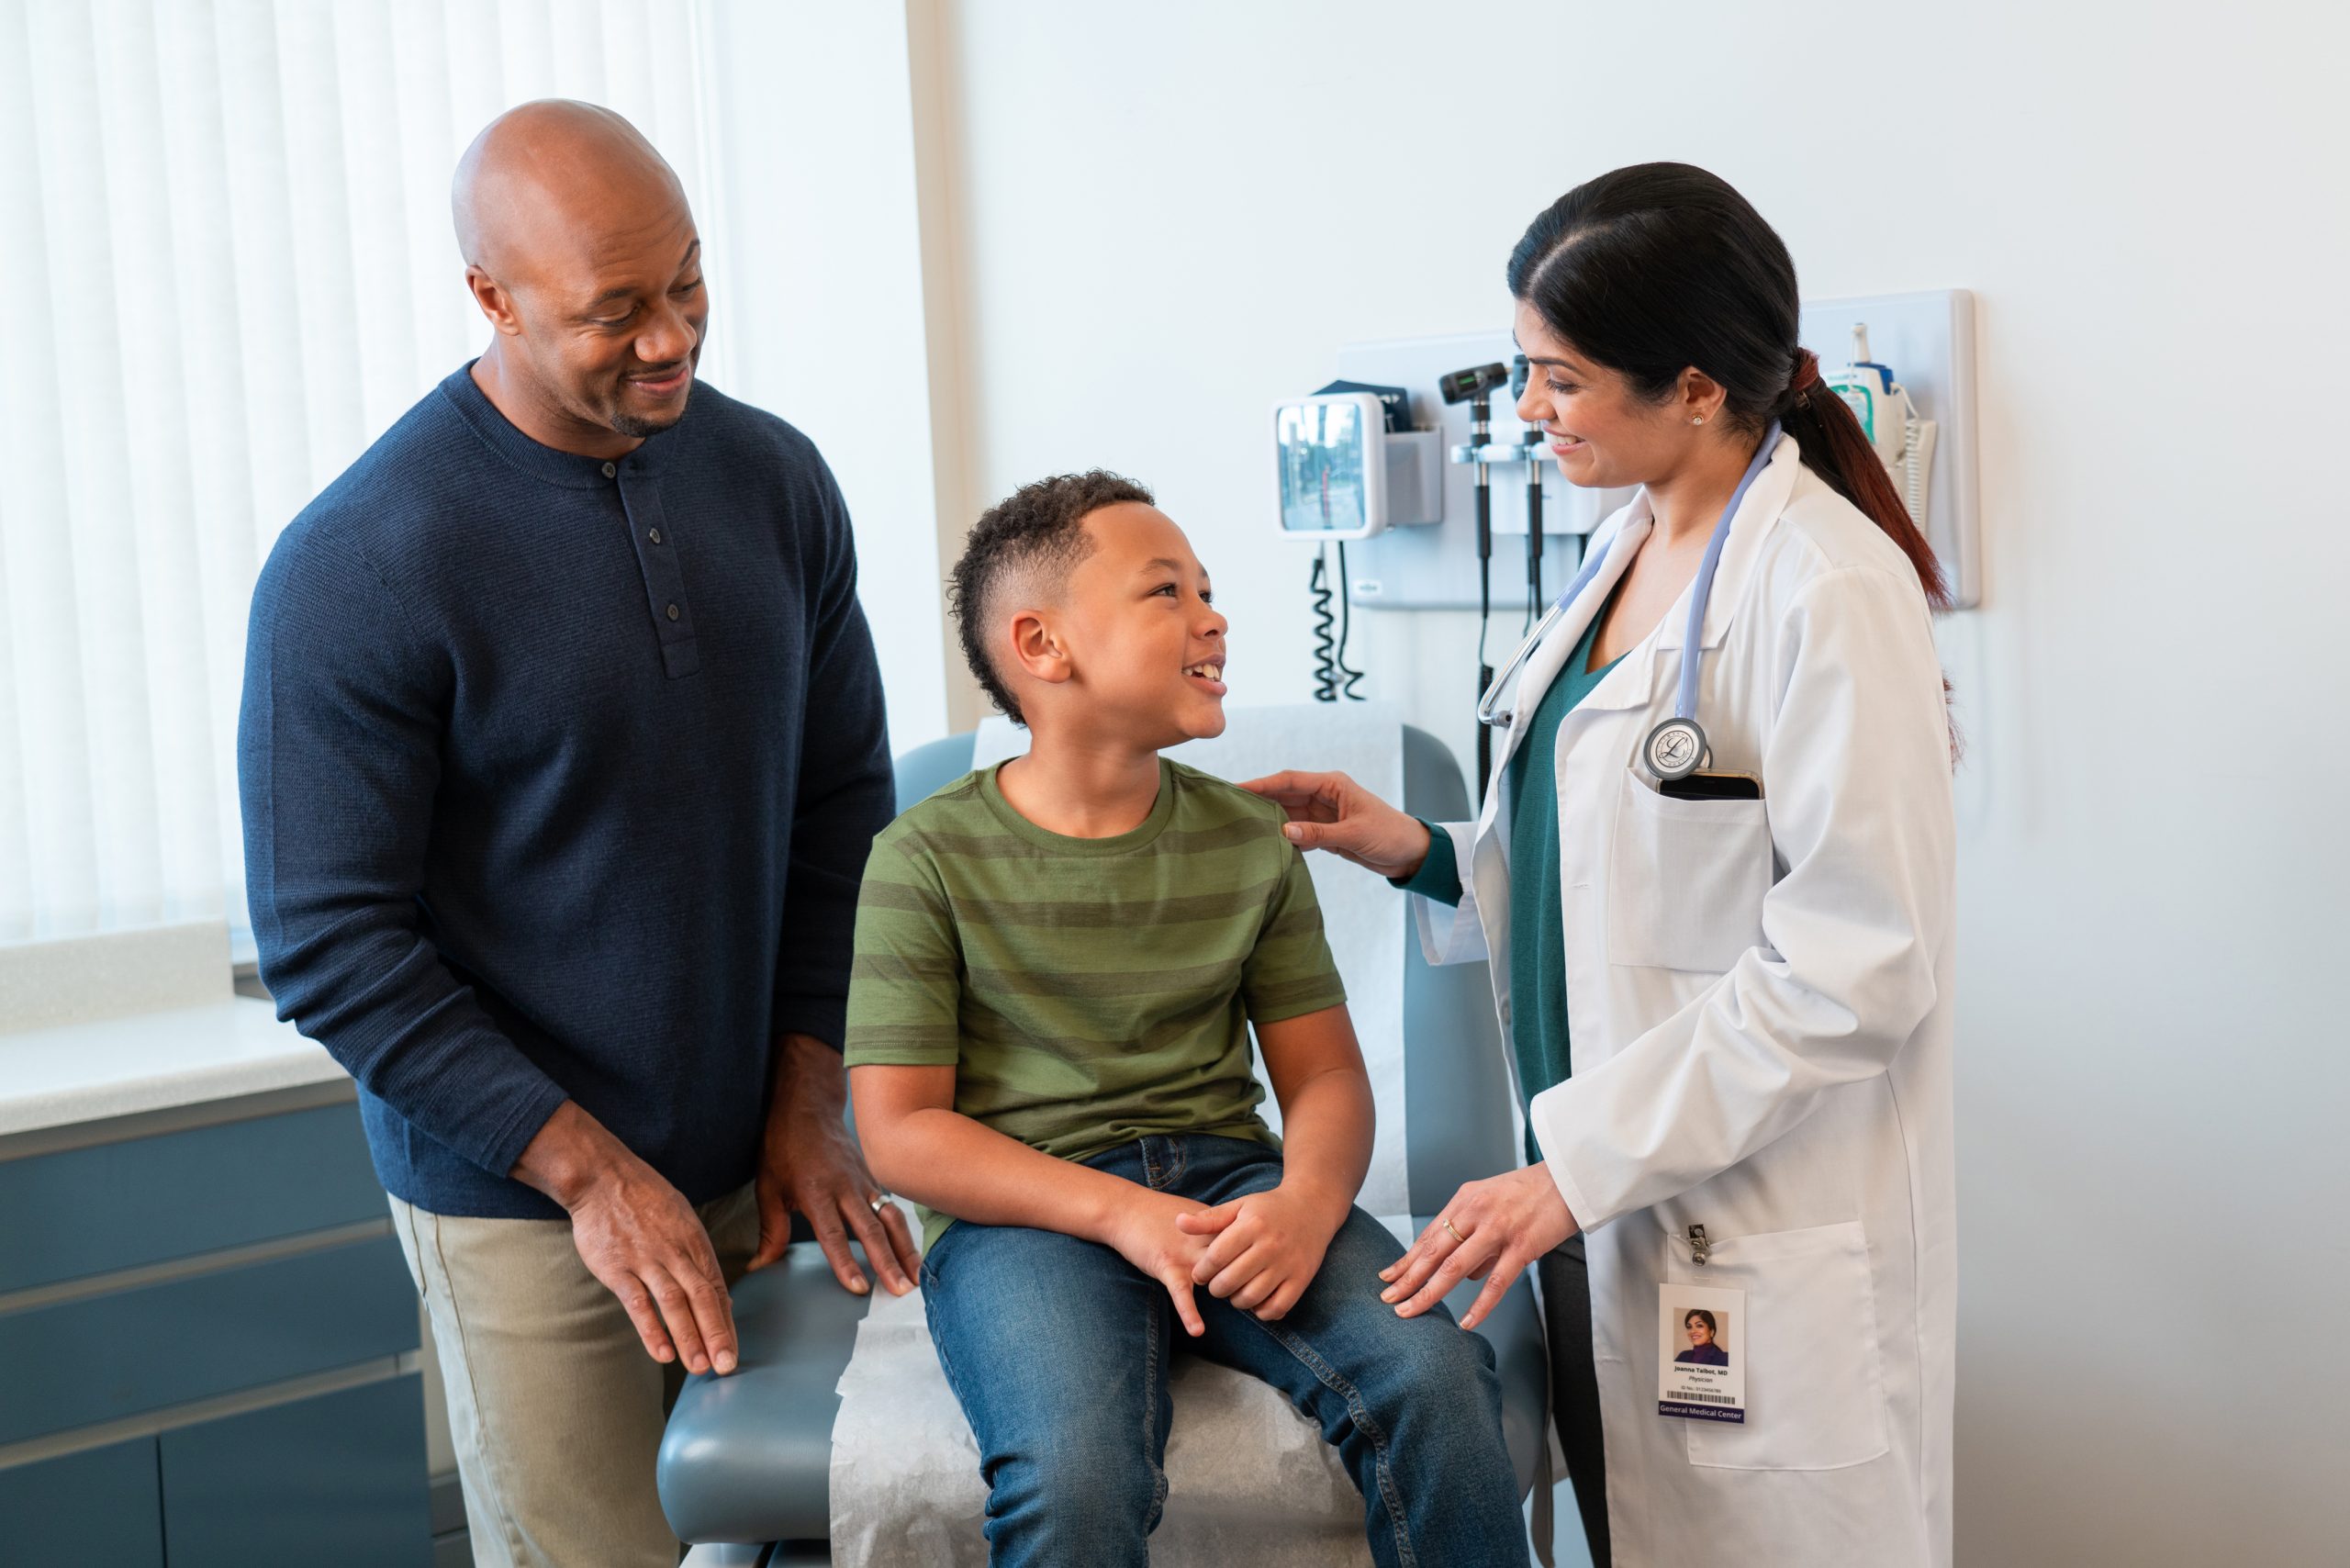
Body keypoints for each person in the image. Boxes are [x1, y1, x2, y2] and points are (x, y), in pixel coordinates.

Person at [238, 101, 919, 1567]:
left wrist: (810, 1091)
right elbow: (330, 946)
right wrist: (592, 1179)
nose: (671, 338)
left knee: (832, 1534)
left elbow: (844, 807)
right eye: (617, 311)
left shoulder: (777, 481)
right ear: (491, 297)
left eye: (687, 285)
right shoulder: (361, 561)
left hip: (759, 1156)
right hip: (525, 1204)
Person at [1248, 162, 1957, 1568]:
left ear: (1694, 389)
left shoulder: (1826, 586)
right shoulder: (1621, 550)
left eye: (1558, 382)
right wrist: (1418, 853)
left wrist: (1574, 1169)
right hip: (1590, 1207)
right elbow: (1609, 875)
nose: (1526, 414)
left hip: (1735, 1221)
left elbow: (1858, 967)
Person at [844, 472, 1530, 1568]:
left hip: (1229, 1185)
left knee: (1438, 1378)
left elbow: (1323, 1081)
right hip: (1031, 1213)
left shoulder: (1245, 840)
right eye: (1165, 592)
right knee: (1074, 1472)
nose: (1212, 616)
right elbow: (903, 1134)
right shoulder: (921, 859)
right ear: (1043, 644)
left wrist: (1306, 1202)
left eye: (1206, 590)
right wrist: (1120, 1213)